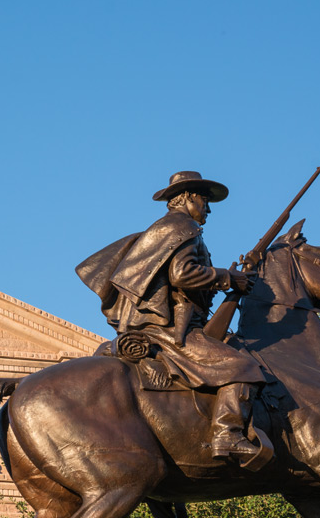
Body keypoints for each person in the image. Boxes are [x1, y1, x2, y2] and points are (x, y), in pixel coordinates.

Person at [78, 170, 268, 464]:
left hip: (163, 325)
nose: (208, 208)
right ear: (190, 197)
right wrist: (227, 277)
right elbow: (182, 274)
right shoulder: (183, 226)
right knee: (243, 366)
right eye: (204, 200)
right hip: (170, 331)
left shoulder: (168, 228)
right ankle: (227, 434)